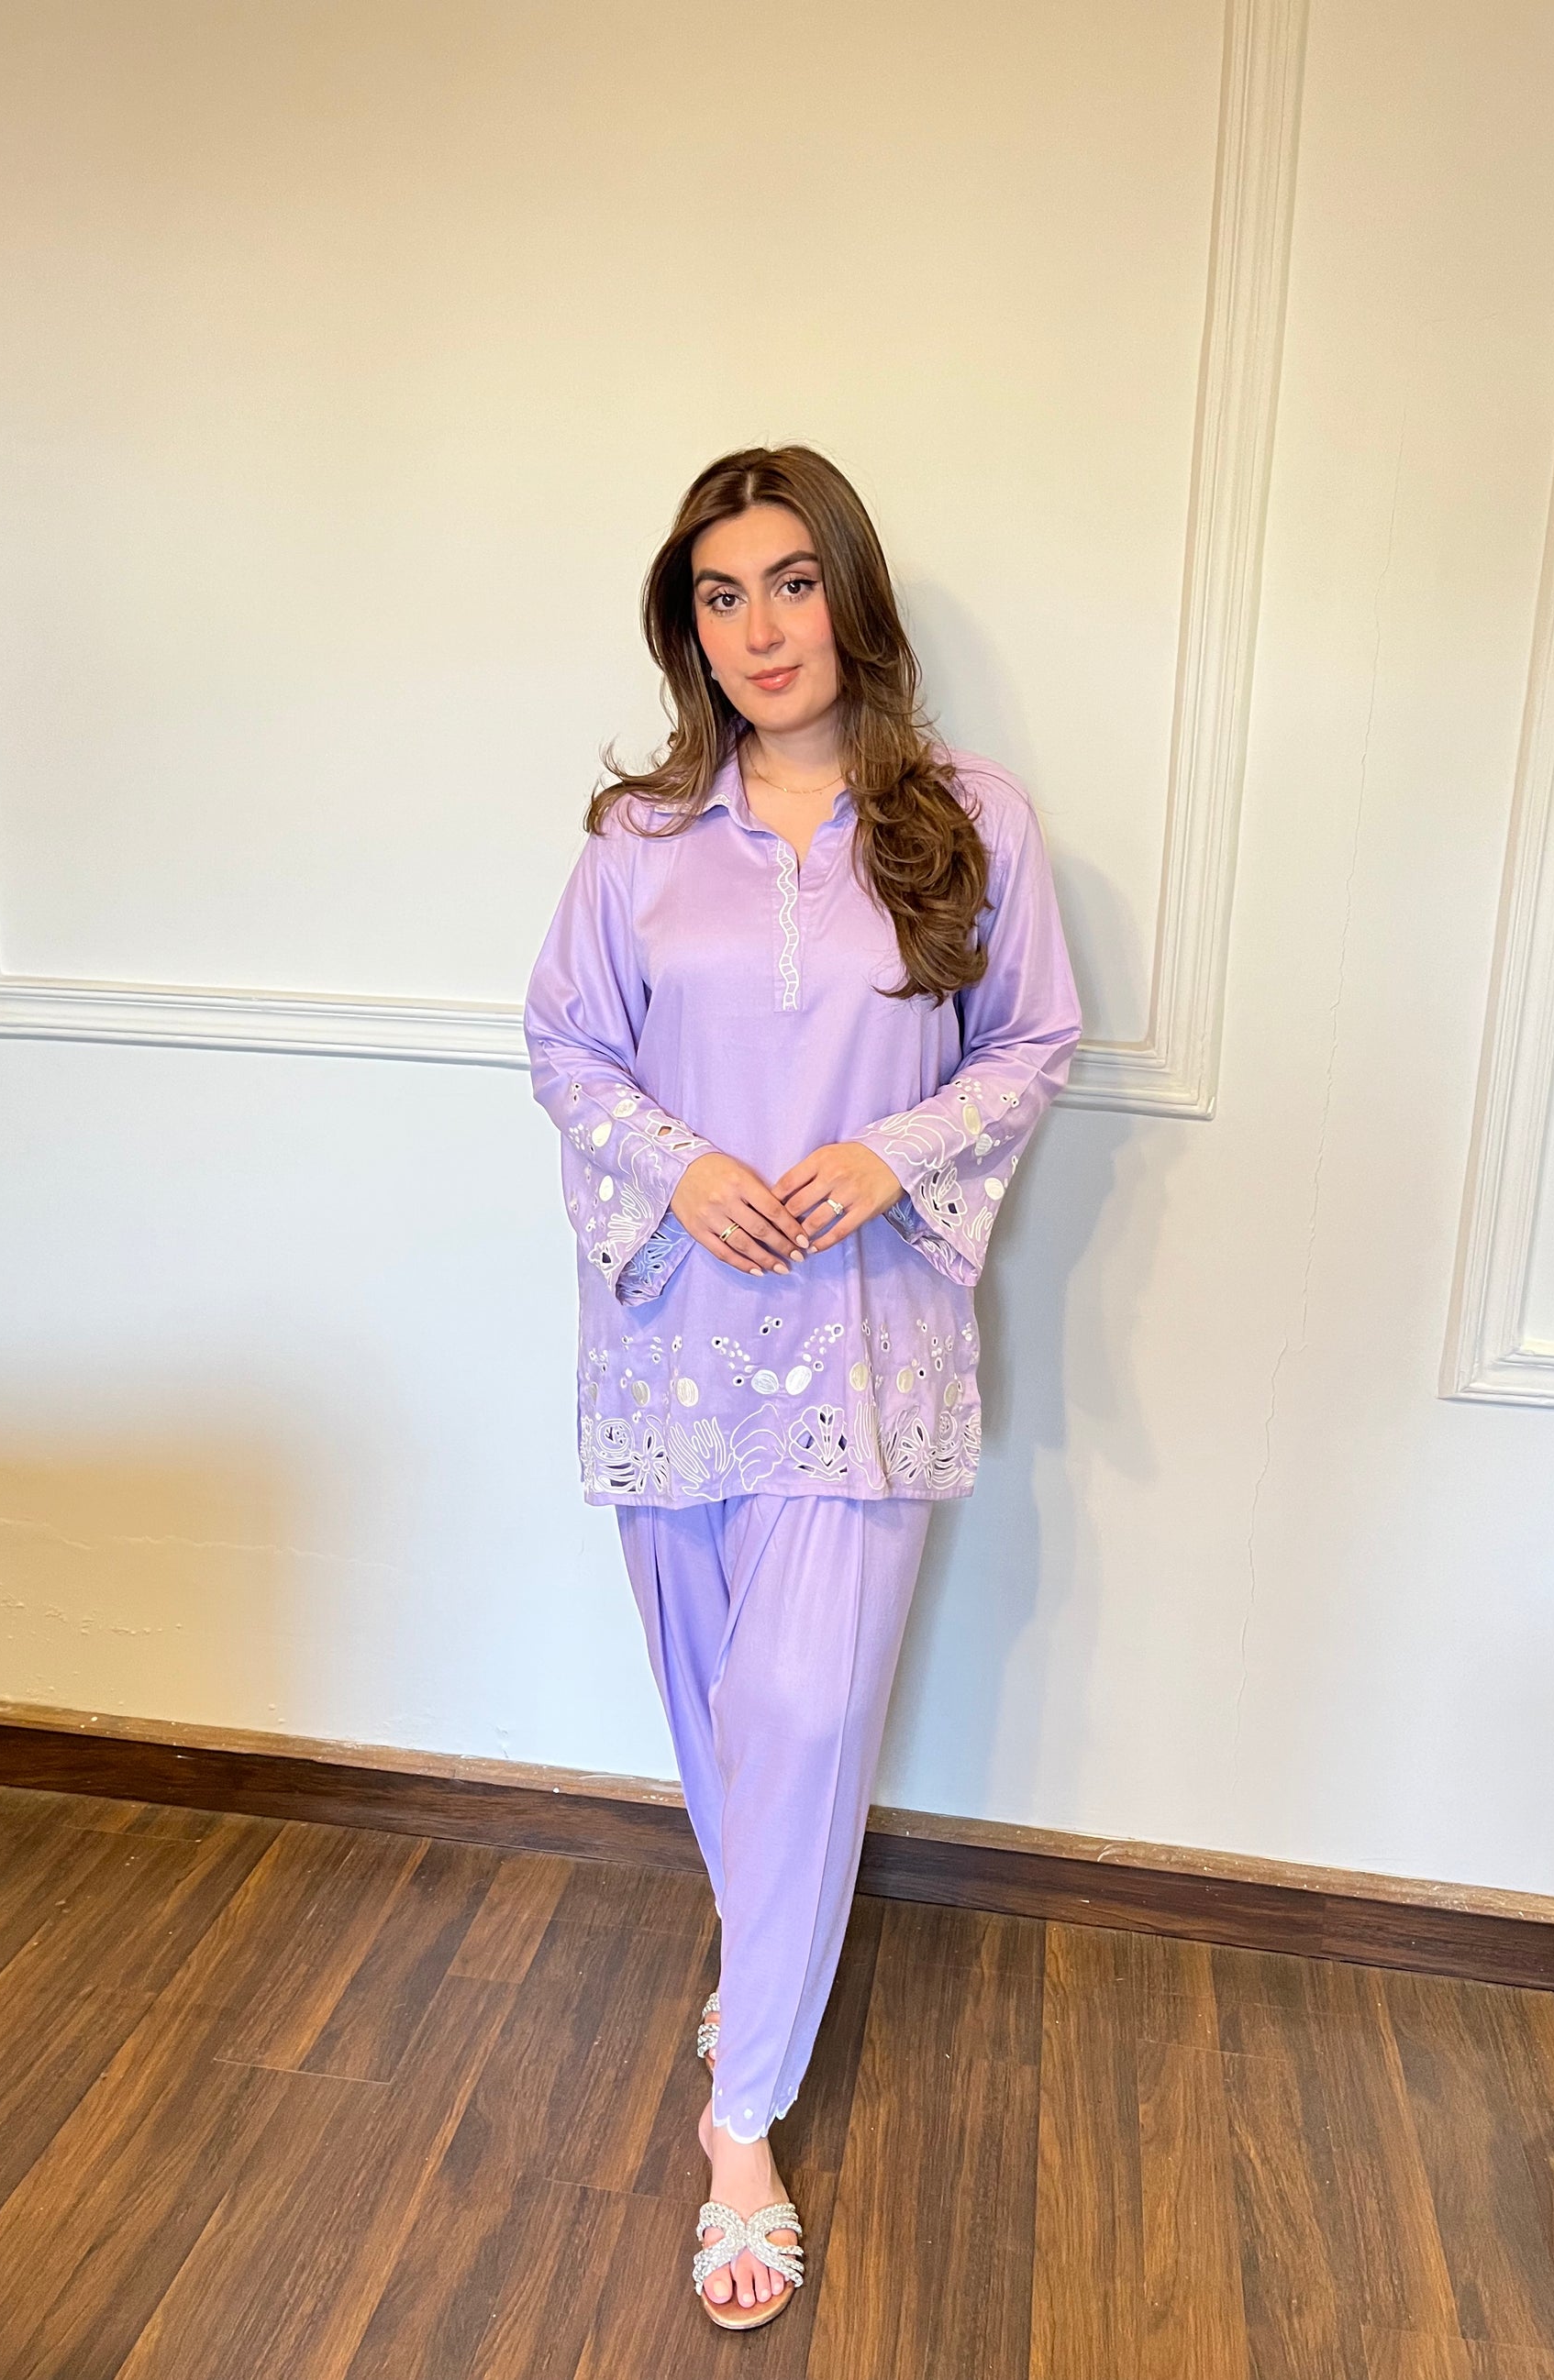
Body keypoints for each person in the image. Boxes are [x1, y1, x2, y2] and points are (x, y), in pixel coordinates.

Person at [522, 444, 1083, 2330]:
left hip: (861, 1341)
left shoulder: (970, 818)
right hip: (674, 1334)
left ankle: (737, 2119)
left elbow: (1033, 1038)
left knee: (805, 1703)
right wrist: (679, 1166)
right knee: (720, 1713)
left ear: (849, 592)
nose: (759, 628)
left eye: (789, 581)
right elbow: (565, 1047)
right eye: (719, 594)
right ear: (687, 628)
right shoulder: (638, 842)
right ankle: (758, 1970)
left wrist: (890, 1150)